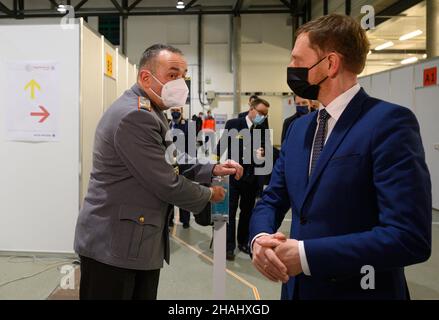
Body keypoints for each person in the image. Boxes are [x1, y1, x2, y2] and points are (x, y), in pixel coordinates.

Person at [250, 14, 432, 300]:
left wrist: (305, 255)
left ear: (331, 64)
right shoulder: (299, 129)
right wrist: (260, 239)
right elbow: (273, 197)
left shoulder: (388, 123)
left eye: (298, 60)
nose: (291, 68)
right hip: (297, 291)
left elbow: (408, 237)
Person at [74, 44, 243, 300]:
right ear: (145, 77)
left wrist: (212, 168)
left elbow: (170, 158)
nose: (181, 84)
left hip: (132, 242)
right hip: (114, 245)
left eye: (184, 76)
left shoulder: (151, 110)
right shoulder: (135, 115)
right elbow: (167, 183)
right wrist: (209, 194)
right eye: (172, 75)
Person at [218, 98, 271, 261]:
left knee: (247, 213)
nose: (263, 116)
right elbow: (221, 147)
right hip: (234, 176)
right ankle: (228, 247)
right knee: (231, 212)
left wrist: (264, 154)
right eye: (261, 113)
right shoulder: (234, 124)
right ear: (252, 109)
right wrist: (214, 168)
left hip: (252, 178)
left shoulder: (262, 128)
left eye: (266, 114)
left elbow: (267, 152)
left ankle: (243, 242)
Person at [168, 106, 191, 228]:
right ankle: (169, 219)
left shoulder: (188, 125)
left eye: (177, 110)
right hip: (169, 163)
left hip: (184, 163)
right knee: (169, 190)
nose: (175, 113)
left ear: (181, 111)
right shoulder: (166, 124)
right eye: (172, 110)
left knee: (184, 190)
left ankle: (185, 220)